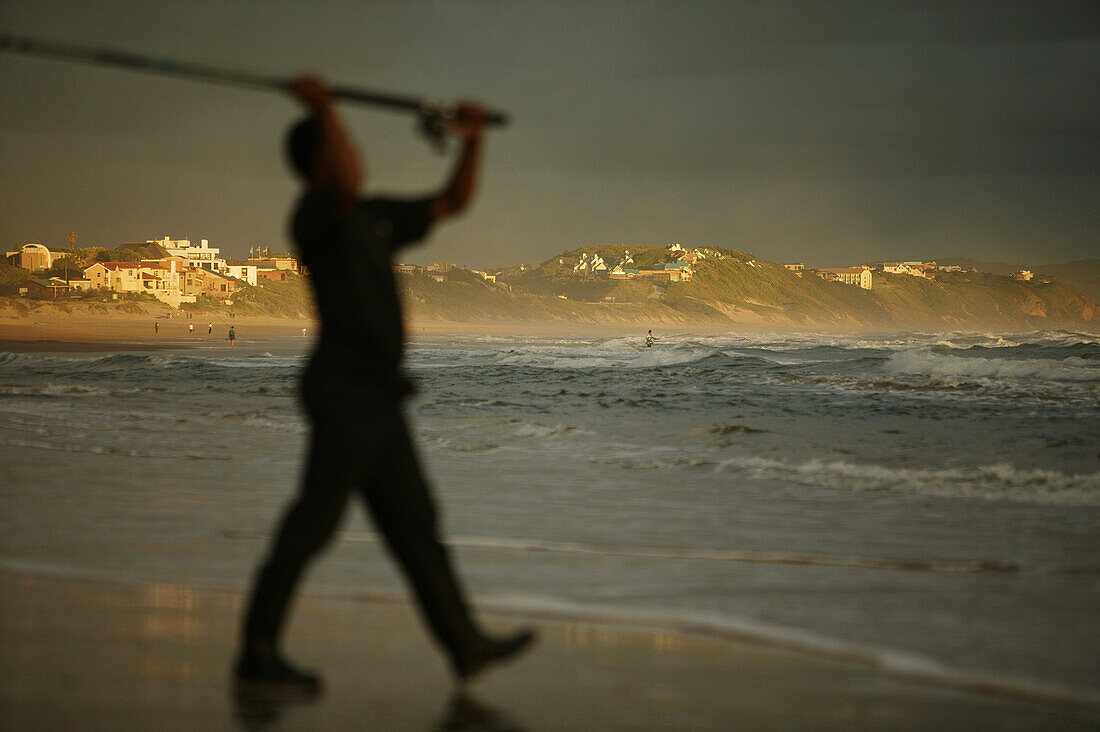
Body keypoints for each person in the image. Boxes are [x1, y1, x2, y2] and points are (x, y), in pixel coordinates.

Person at [235, 76, 533, 691]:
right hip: (345, 394)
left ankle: (465, 645)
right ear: (318, 161)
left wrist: (472, 140)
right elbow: (342, 181)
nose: (357, 158)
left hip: (378, 398)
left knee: (416, 527)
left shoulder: (375, 219)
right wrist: (325, 108)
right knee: (314, 521)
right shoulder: (316, 217)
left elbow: (453, 202)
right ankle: (257, 650)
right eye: (343, 148)